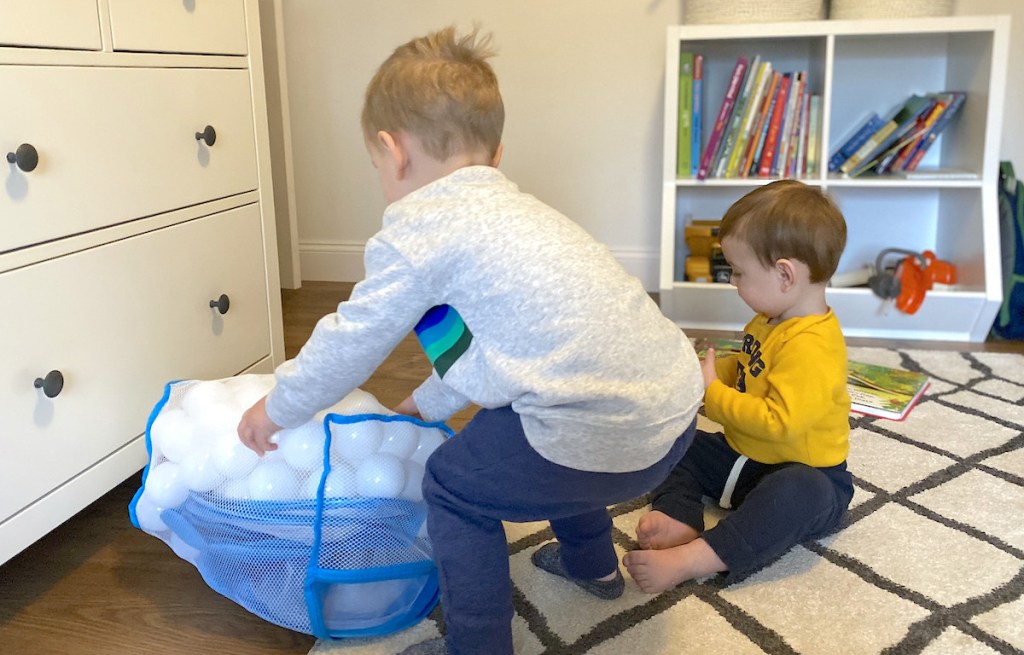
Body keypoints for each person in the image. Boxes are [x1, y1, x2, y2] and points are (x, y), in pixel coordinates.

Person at [236, 26, 704, 655]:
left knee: (453, 484)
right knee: (551, 404)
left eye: (379, 167)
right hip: (672, 421)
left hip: (603, 437)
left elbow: (351, 338)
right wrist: (422, 406)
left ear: (392, 151)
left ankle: (477, 644)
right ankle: (593, 567)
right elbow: (479, 353)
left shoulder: (418, 231)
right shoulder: (521, 217)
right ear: (496, 152)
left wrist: (279, 405)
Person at [623, 179, 854, 593]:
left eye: (740, 272)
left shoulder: (813, 347)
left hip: (802, 471)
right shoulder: (770, 318)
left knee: (798, 494)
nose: (733, 281)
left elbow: (778, 422)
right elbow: (751, 369)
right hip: (747, 456)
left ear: (785, 274)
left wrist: (714, 395)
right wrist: (708, 372)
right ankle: (679, 517)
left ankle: (694, 559)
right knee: (676, 440)